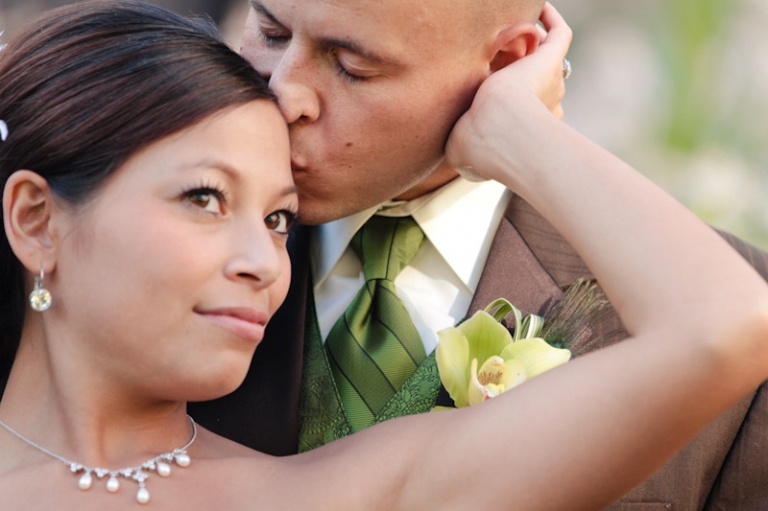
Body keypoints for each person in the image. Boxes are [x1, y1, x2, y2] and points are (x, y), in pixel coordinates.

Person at [2, 1, 768, 509]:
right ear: (33, 220)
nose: (282, 90)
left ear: (507, 62)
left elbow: (725, 323)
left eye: (351, 64)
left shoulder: (324, 492)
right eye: (270, 31)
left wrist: (523, 137)